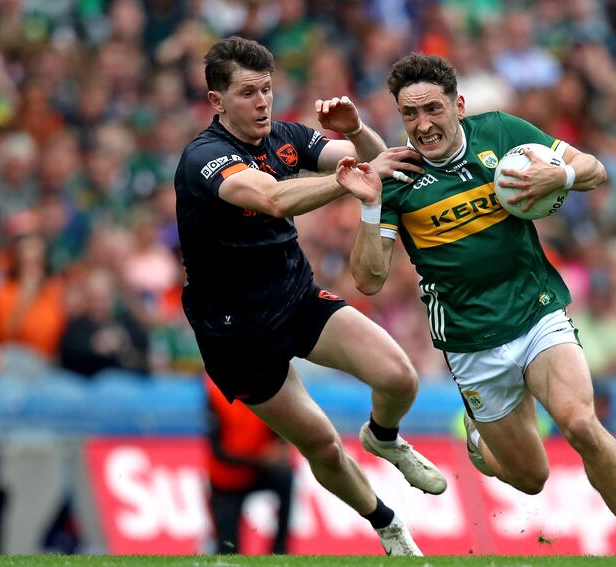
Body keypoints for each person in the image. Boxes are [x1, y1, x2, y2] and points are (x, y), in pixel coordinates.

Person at [348, 53, 616, 558]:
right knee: (531, 477)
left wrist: (557, 177)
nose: (424, 124)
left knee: (581, 423)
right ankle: (480, 442)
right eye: (410, 114)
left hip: (536, 309)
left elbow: (595, 169)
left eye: (433, 108)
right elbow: (367, 280)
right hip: (470, 337)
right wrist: (369, 204)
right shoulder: (396, 178)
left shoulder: (500, 132)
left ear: (458, 104)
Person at [173, 36, 446, 557]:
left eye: (267, 90)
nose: (262, 103)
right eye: (249, 92)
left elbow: (380, 161)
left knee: (398, 375)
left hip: (295, 298)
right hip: (236, 334)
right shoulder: (204, 158)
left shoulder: (287, 137)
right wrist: (352, 182)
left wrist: (358, 130)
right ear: (217, 102)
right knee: (319, 442)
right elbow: (272, 198)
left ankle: (383, 436)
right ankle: (387, 524)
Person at [205, 376, 293, 555]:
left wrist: (281, 446)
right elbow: (218, 452)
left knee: (285, 476)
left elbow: (278, 431)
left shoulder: (265, 390)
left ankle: (279, 550)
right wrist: (262, 459)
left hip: (255, 473)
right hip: (226, 482)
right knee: (228, 549)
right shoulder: (215, 395)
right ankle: (214, 543)